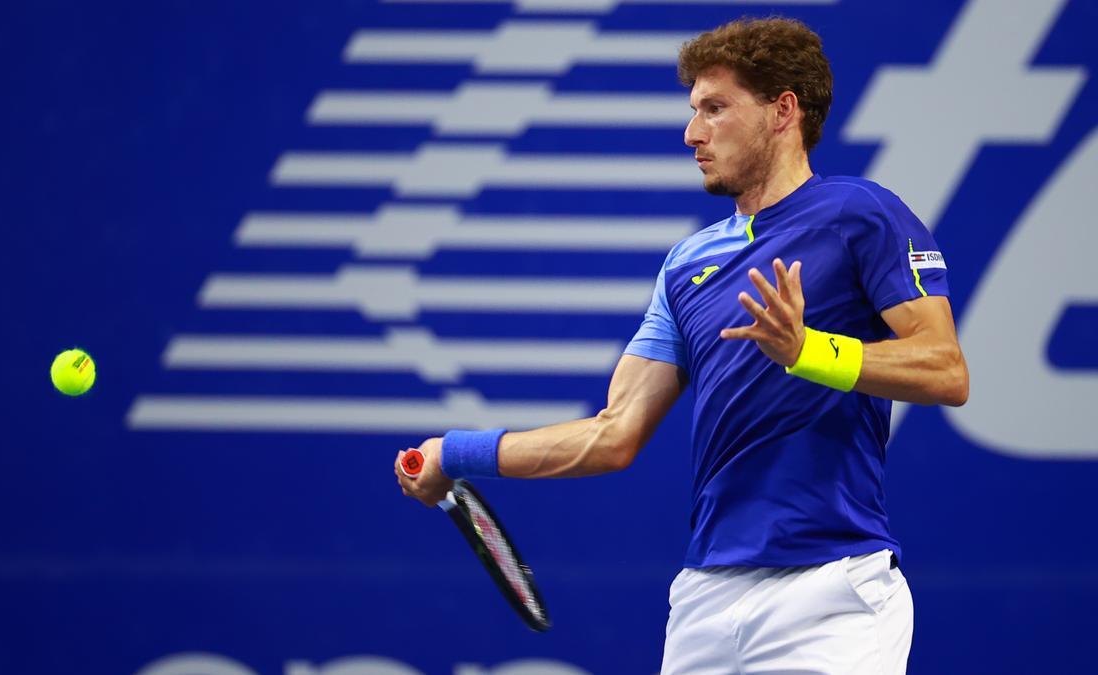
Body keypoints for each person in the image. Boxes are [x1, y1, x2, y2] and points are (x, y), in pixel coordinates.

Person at [394, 16, 967, 675]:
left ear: (783, 111)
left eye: (716, 108)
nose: (692, 133)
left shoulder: (862, 214)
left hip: (832, 591)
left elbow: (945, 367)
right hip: (706, 600)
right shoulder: (685, 264)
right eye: (693, 110)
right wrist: (454, 451)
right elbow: (613, 434)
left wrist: (809, 351)